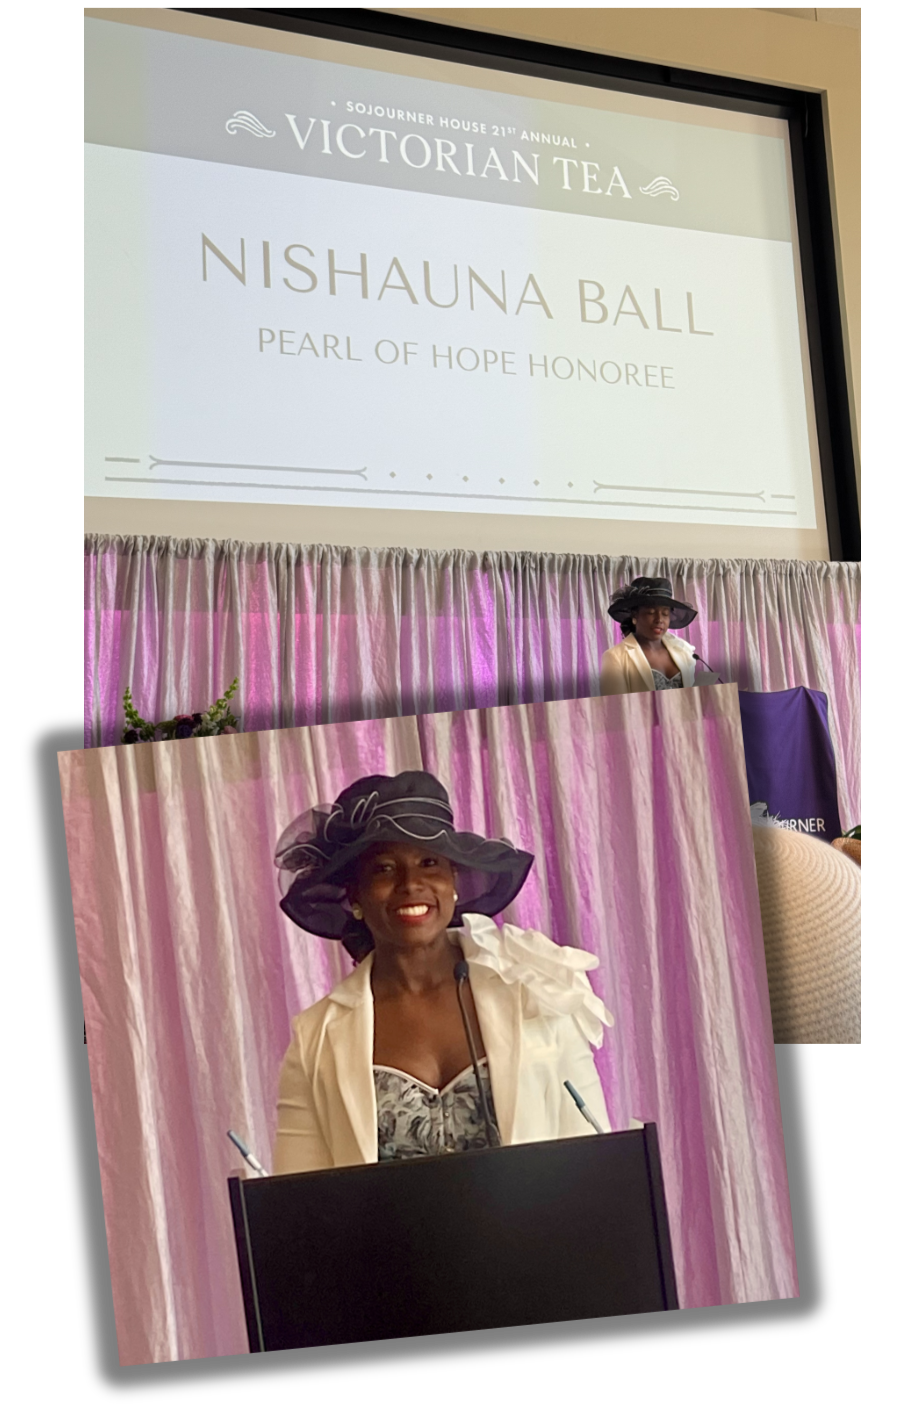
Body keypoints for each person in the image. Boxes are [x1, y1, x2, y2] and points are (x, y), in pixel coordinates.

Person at [272, 770, 613, 1173]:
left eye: (429, 862)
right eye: (383, 868)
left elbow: (597, 1163)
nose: (410, 883)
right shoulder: (315, 1038)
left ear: (453, 878)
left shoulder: (535, 990)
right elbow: (302, 1203)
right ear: (355, 895)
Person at [599, 577, 699, 695]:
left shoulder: (684, 650)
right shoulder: (615, 657)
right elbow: (616, 708)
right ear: (635, 615)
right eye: (651, 612)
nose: (659, 619)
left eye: (665, 613)